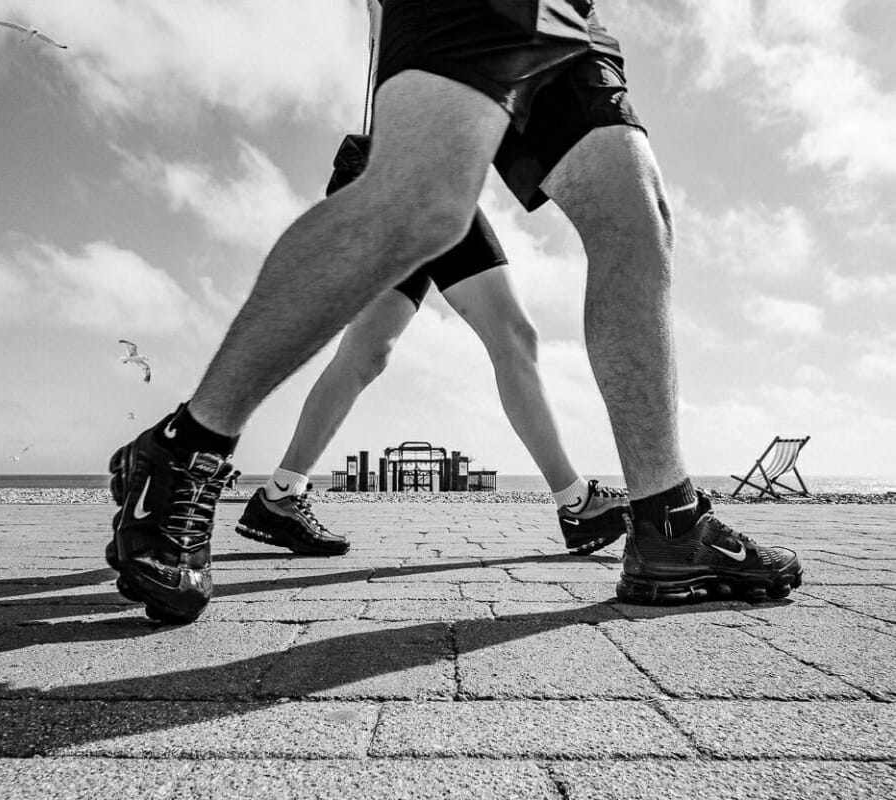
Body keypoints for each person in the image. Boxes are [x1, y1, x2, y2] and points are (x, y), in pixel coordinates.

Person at [106, 0, 803, 623]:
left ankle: (668, 523)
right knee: (417, 217)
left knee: (633, 212)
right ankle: (187, 447)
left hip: (568, 16)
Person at [234, 131, 628, 559]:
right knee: (512, 335)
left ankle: (279, 496)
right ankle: (577, 504)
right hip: (424, 170)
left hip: (388, 173)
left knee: (366, 353)